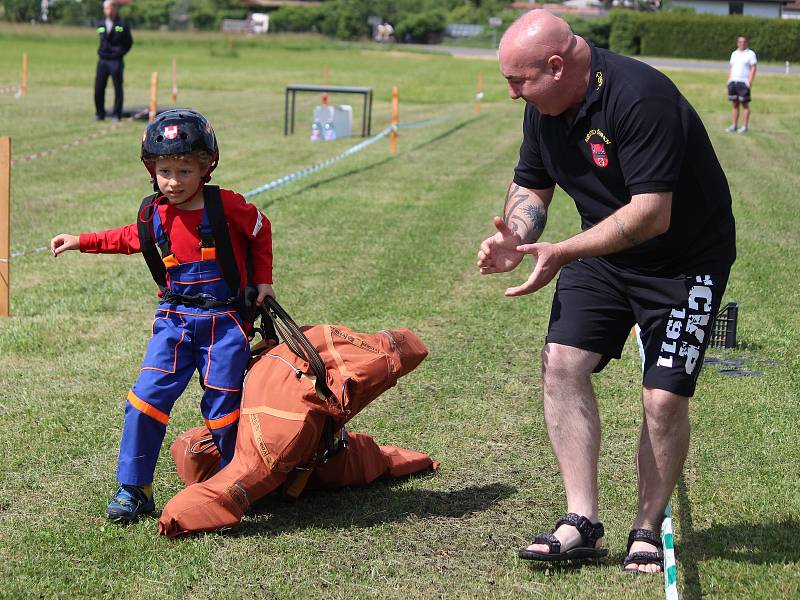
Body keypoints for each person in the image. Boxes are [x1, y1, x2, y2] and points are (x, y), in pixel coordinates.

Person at [477, 10, 735, 573]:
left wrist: (563, 251)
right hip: (604, 249)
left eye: (519, 81)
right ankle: (582, 522)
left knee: (663, 399)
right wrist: (515, 236)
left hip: (684, 261)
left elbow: (651, 214)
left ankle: (646, 525)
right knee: (563, 362)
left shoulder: (641, 98)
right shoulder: (543, 109)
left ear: (555, 65)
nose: (513, 94)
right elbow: (531, 185)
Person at [50, 109, 275, 523]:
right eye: (164, 170)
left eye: (185, 170)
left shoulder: (226, 205)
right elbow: (125, 239)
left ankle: (237, 483)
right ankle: (134, 488)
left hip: (224, 325)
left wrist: (263, 282)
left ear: (207, 166)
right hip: (173, 321)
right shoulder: (152, 215)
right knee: (144, 401)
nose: (173, 181)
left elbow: (261, 230)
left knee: (224, 409)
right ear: (151, 170)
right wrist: (80, 240)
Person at [94, 0, 133, 122]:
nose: (108, 11)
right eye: (105, 9)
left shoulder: (122, 23)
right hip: (103, 60)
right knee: (98, 88)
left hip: (115, 61)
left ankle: (117, 114)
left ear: (115, 9)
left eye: (110, 8)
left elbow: (129, 42)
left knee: (117, 88)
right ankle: (100, 114)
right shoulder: (101, 23)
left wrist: (120, 53)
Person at [726, 36, 757, 134]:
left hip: (743, 82)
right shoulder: (734, 54)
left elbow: (753, 68)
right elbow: (731, 67)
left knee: (745, 105)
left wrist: (749, 81)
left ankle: (744, 127)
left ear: (746, 43)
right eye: (740, 42)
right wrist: (729, 79)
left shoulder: (750, 54)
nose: (742, 44)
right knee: (735, 104)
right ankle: (734, 126)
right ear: (737, 43)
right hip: (733, 82)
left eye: (744, 42)